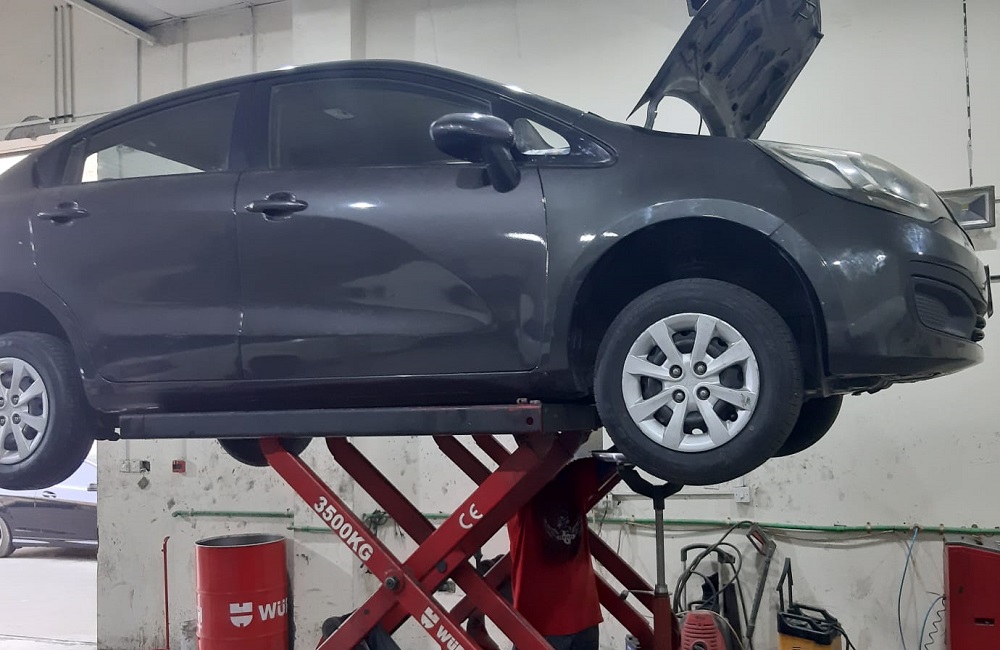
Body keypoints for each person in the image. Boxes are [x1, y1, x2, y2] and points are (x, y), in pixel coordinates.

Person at [506, 454, 608, 650]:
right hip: (541, 624)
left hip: (584, 619)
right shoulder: (523, 493)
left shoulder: (573, 480)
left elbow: (621, 456)